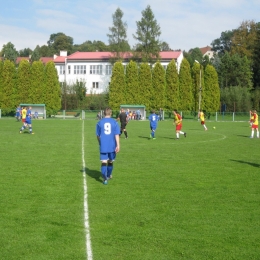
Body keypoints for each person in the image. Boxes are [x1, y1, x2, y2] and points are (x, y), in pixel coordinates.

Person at [96, 107, 120, 185]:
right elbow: (117, 135)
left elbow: (98, 136)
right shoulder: (114, 122)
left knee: (104, 161)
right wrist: (118, 145)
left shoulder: (100, 123)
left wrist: (100, 142)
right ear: (111, 113)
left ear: (104, 113)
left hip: (103, 145)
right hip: (112, 145)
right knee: (110, 161)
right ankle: (109, 175)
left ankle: (105, 179)